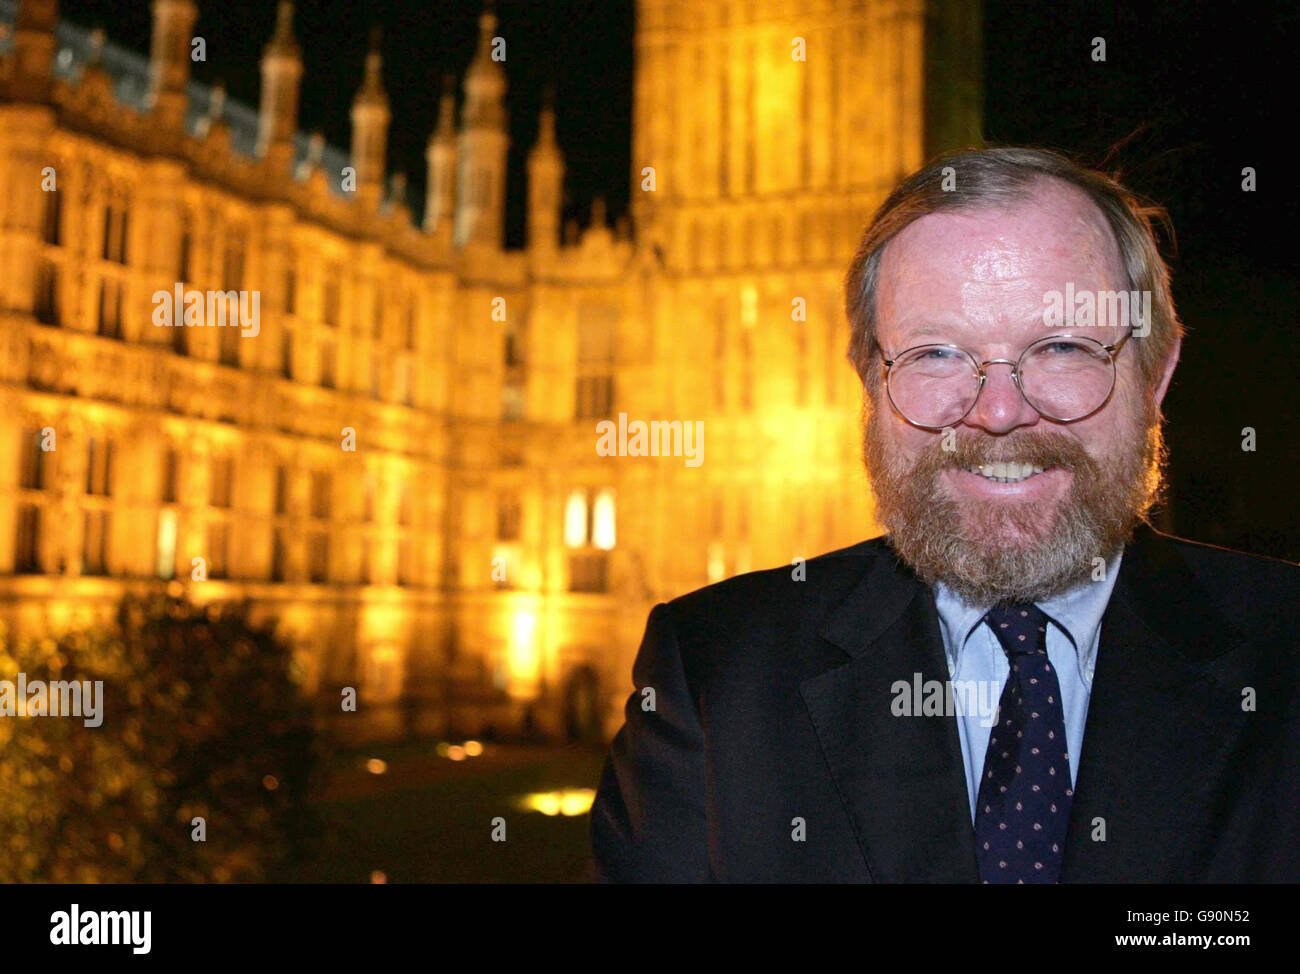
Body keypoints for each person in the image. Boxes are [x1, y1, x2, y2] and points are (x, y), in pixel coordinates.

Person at [590, 147, 1300, 883]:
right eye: (937, 354)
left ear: (1157, 373)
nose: (998, 414)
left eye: (1060, 346)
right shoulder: (713, 676)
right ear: (869, 379)